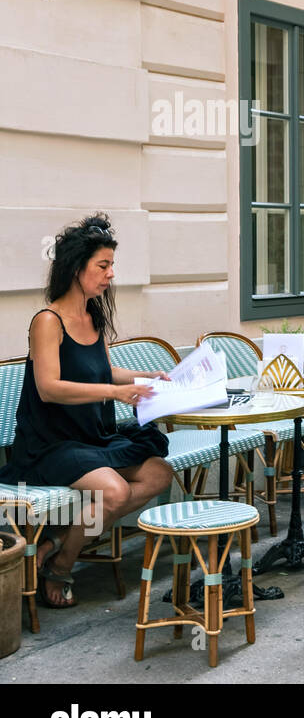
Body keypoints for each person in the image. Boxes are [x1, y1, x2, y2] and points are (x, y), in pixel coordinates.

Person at [0, 215, 175, 608]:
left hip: (92, 437)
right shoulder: (48, 321)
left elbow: (103, 370)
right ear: (76, 269)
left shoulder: (94, 314)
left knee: (158, 474)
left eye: (111, 265)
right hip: (51, 445)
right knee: (113, 491)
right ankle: (62, 565)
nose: (111, 274)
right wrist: (116, 392)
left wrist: (147, 377)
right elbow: (50, 387)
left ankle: (53, 541)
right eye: (103, 266)